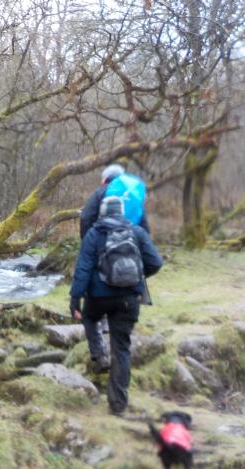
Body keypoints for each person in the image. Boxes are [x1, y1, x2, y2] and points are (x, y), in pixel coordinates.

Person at [70, 196, 163, 416]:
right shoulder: (136, 232)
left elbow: (83, 269)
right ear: (122, 212)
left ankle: (99, 355)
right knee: (121, 349)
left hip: (99, 298)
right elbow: (156, 262)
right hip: (128, 299)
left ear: (103, 212)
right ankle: (118, 404)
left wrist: (75, 299)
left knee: (90, 318)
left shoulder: (94, 233)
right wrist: (138, 278)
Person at [79, 164, 151, 368]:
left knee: (96, 294)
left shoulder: (102, 192)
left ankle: (101, 338)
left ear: (105, 180)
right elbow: (144, 228)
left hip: (101, 254)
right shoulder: (133, 197)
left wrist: (89, 243)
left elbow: (85, 217)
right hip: (130, 260)